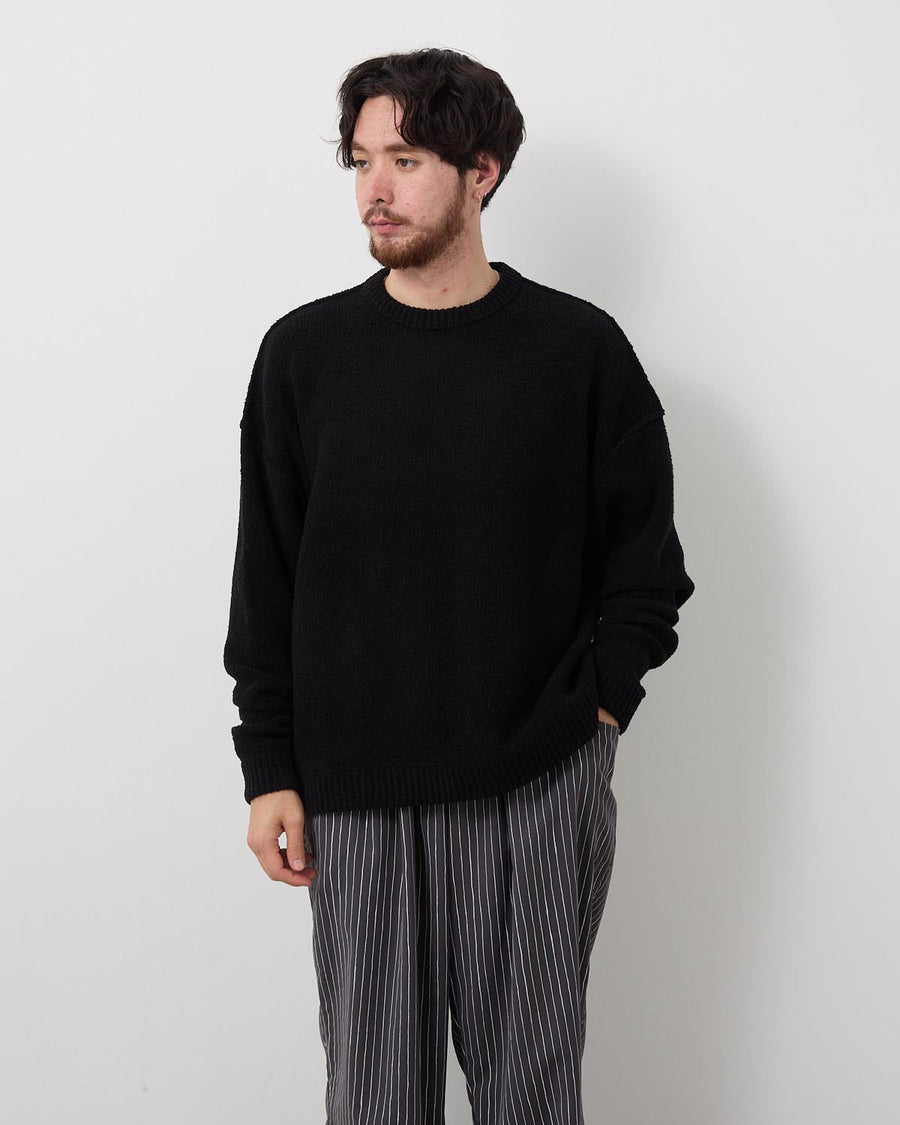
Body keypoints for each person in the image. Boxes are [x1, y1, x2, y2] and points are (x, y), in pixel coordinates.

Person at [223, 46, 695, 1125]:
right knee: (375, 1101)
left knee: (530, 1099)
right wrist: (269, 766)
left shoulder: (579, 351)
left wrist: (597, 710)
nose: (375, 190)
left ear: (482, 171)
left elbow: (647, 572)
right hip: (354, 792)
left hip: (536, 781)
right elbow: (267, 580)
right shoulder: (304, 356)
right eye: (361, 162)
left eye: (406, 159)